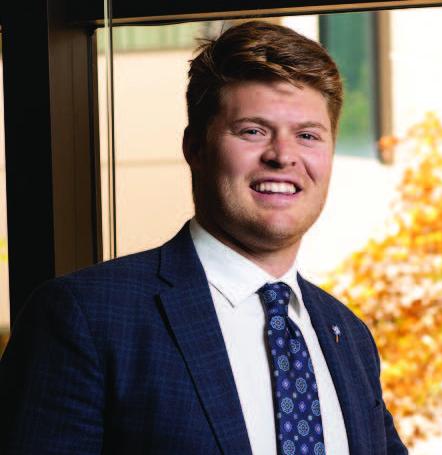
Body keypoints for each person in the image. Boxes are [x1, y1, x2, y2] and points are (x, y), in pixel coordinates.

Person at [0, 21, 407, 455]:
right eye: (253, 130)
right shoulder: (85, 317)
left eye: (307, 135)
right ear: (194, 147)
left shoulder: (347, 334)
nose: (283, 155)